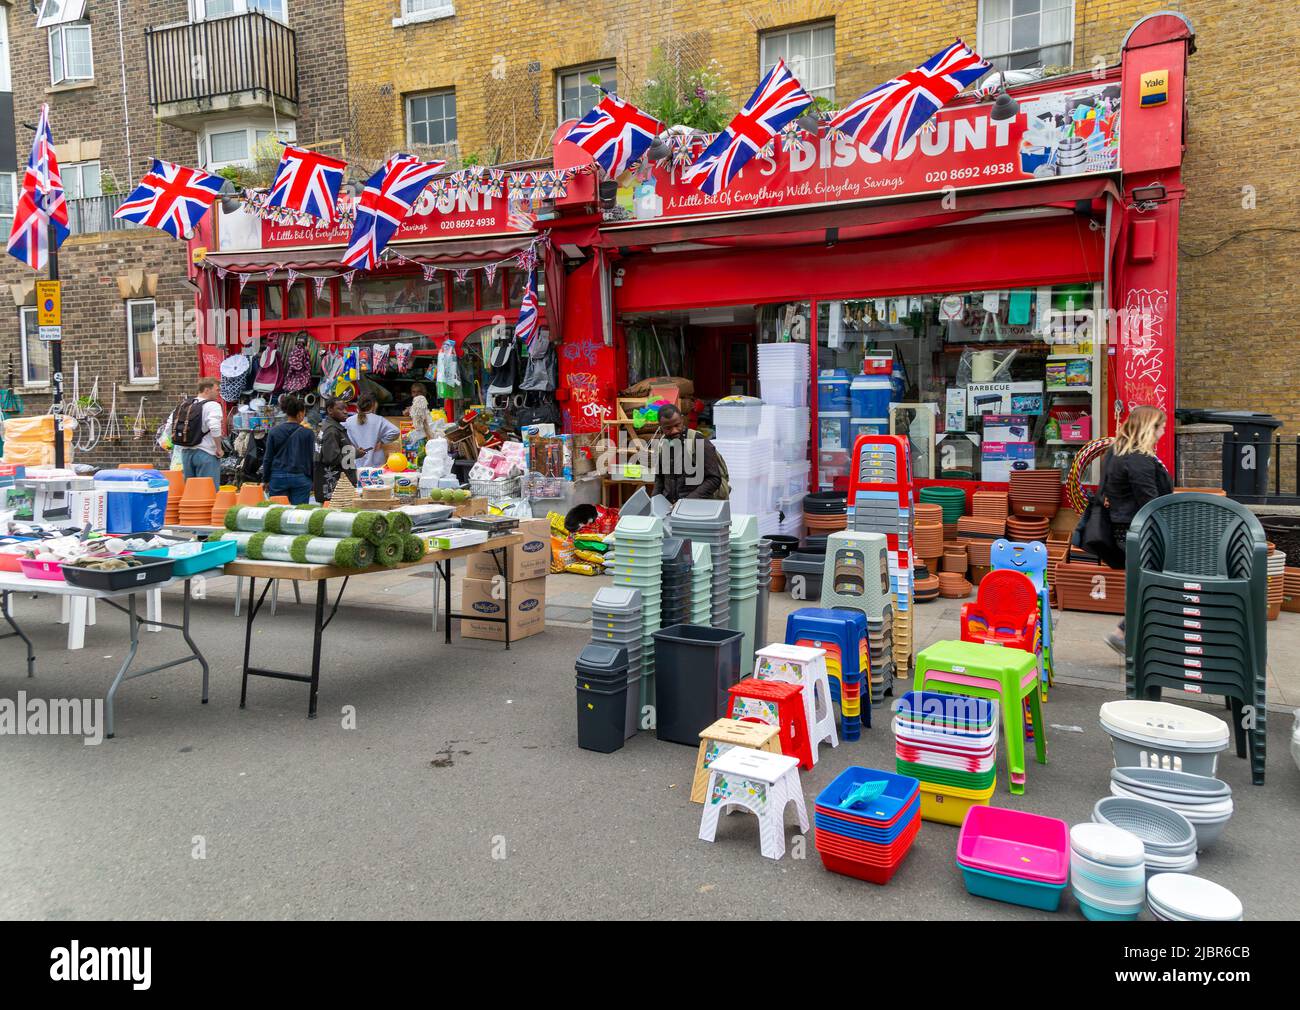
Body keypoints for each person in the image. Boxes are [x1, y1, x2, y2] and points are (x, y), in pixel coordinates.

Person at [1099, 405, 1173, 654]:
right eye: (1161, 426)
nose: (1163, 431)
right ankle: (1125, 634)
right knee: (1150, 584)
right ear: (1148, 428)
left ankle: (1130, 634)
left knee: (1144, 583)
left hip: (1128, 530)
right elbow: (1150, 502)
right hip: (1140, 531)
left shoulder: (1119, 453)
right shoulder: (1138, 460)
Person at [652, 403, 729, 504]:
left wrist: (686, 502)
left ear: (682, 420)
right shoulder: (662, 443)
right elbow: (660, 479)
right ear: (661, 427)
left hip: (698, 508)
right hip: (671, 509)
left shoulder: (697, 440)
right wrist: (655, 501)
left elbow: (714, 479)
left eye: (677, 425)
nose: (674, 431)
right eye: (668, 428)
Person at [261, 395, 315, 504]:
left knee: (277, 512)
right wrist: (312, 480)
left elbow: (268, 458)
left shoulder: (274, 431)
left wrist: (265, 479)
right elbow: (311, 459)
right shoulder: (308, 433)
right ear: (300, 413)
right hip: (300, 477)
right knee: (298, 515)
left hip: (277, 476)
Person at [172, 377, 225, 483]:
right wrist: (219, 448)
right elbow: (214, 427)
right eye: (217, 390)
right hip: (206, 453)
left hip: (186, 454)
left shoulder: (185, 404)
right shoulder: (212, 405)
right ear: (207, 390)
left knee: (192, 493)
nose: (219, 393)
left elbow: (170, 425)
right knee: (208, 492)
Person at [344, 392, 400, 469]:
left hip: (357, 461)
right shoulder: (379, 420)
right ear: (374, 405)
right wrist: (382, 441)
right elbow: (396, 431)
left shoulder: (349, 421)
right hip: (377, 463)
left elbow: (344, 438)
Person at [314, 396, 353, 503]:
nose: (345, 412)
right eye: (341, 409)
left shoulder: (331, 427)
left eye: (346, 409)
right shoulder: (331, 430)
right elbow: (331, 458)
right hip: (333, 485)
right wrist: (354, 453)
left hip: (332, 484)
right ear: (330, 410)